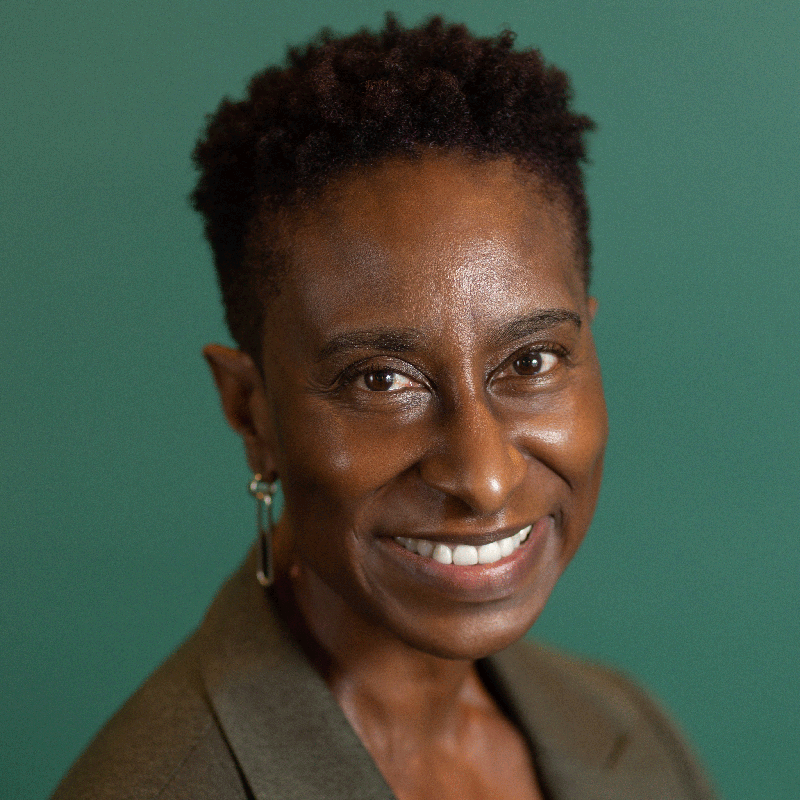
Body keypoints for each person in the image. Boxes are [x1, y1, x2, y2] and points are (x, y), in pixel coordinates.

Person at [51, 16, 717, 800]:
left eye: (531, 361)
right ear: (251, 413)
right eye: (380, 381)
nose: (485, 478)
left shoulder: (636, 737)